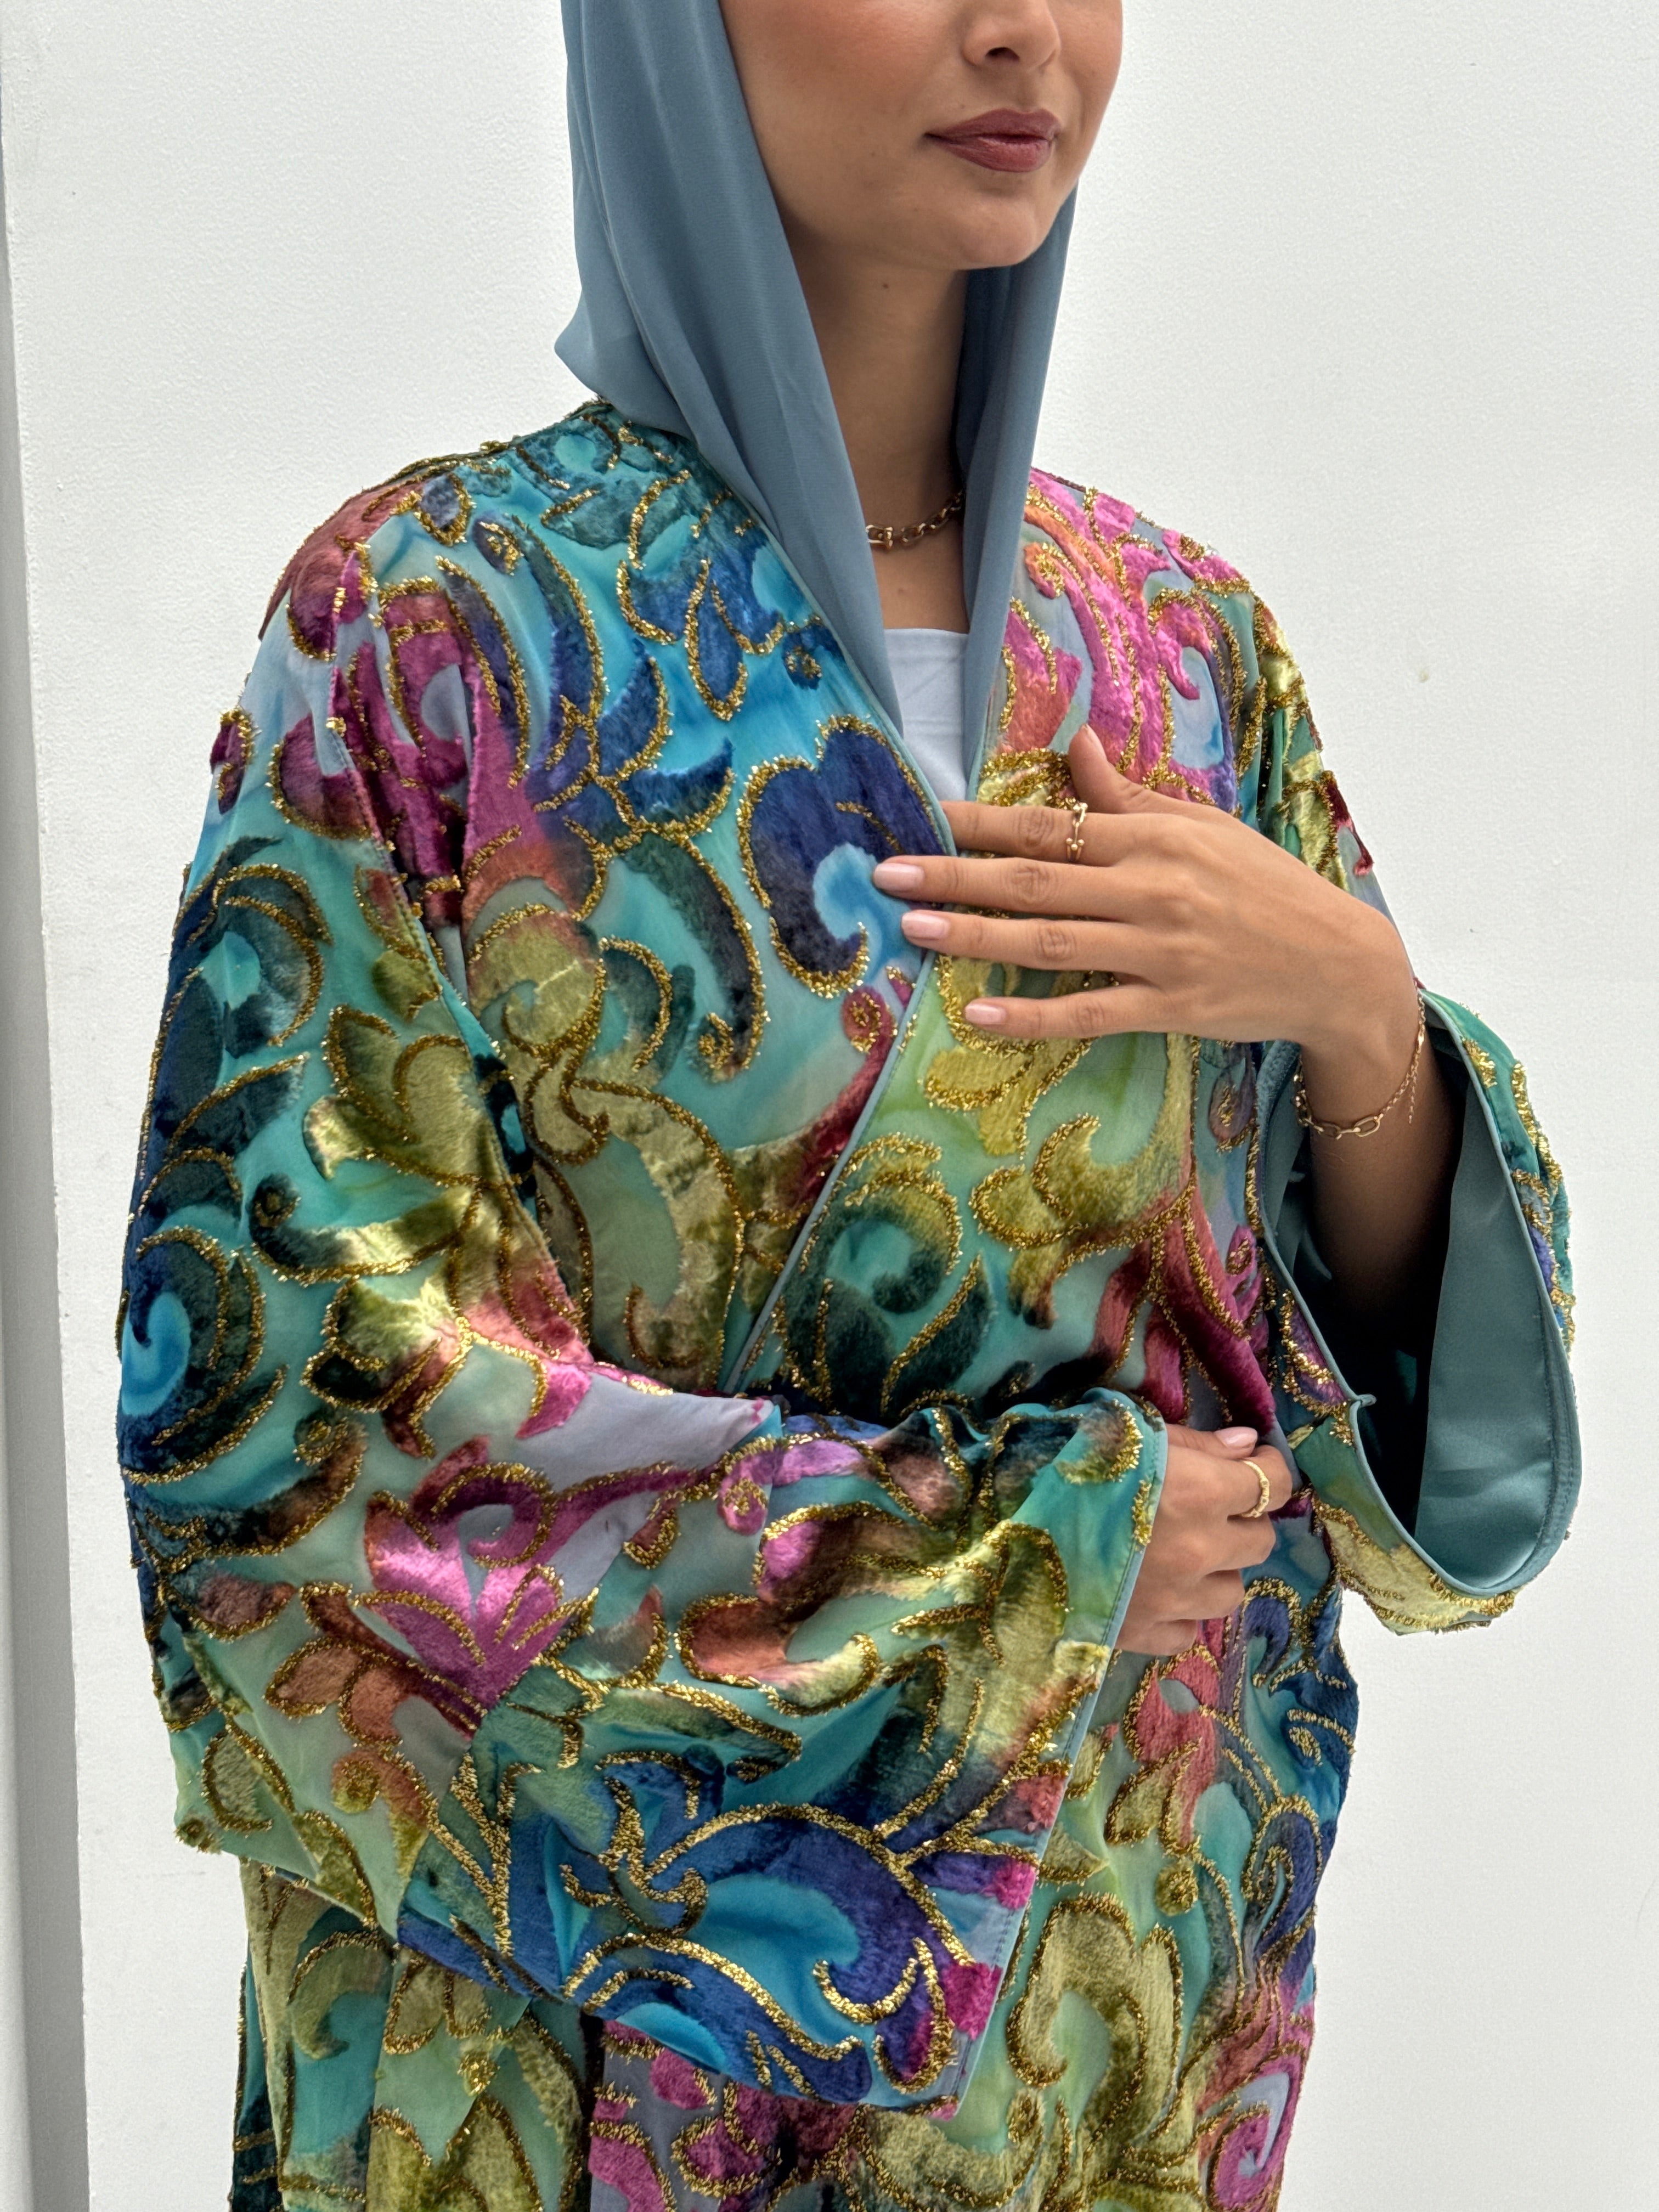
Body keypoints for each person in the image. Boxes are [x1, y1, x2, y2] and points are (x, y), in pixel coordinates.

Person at [116, 4, 1578, 2207]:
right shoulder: (430, 632)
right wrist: (1031, 1566)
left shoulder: (1184, 658)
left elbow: (1387, 1467)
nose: (1022, 29)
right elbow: (287, 1457)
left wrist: (1366, 1025)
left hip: (1110, 2042)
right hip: (584, 2068)